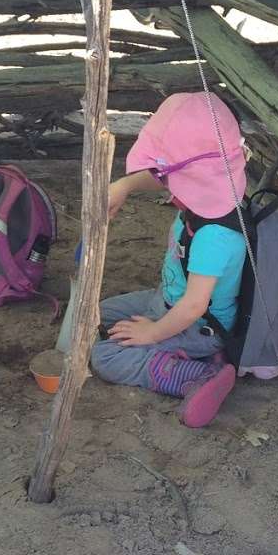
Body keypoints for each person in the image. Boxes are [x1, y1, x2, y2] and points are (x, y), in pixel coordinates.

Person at [91, 92, 247, 429]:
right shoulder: (216, 188)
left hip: (197, 324)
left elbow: (193, 306)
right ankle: (177, 349)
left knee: (105, 356)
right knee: (96, 311)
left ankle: (198, 374)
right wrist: (125, 186)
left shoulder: (214, 237)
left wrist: (153, 333)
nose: (164, 182)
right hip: (164, 299)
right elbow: (161, 177)